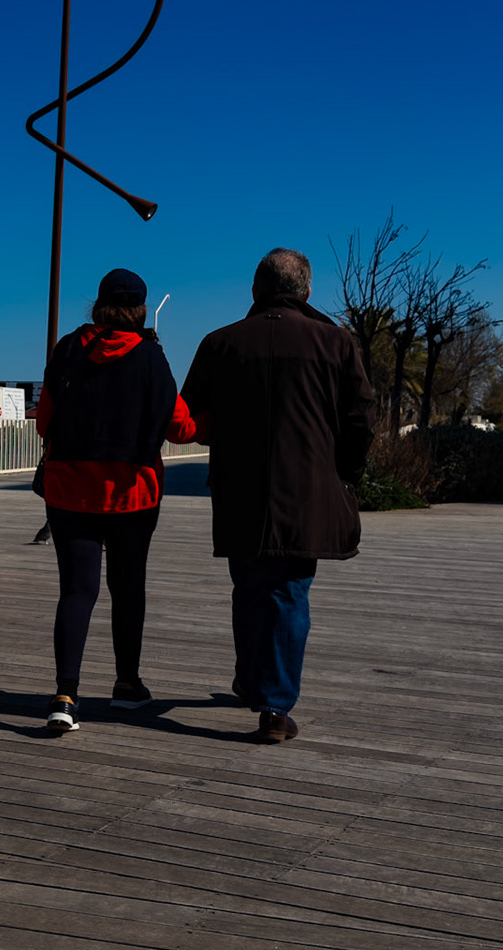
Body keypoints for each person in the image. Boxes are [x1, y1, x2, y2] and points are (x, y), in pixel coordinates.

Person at [181, 248, 375, 744]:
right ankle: (274, 707)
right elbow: (361, 420)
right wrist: (344, 474)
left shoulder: (219, 343)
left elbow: (193, 417)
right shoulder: (335, 343)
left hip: (238, 489)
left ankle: (252, 682)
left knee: (248, 589)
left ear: (254, 290)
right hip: (307, 490)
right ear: (307, 291)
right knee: (289, 594)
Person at [34, 268, 198, 735]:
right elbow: (181, 428)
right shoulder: (151, 358)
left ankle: (65, 696)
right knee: (128, 588)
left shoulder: (67, 350)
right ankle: (127, 685)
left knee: (76, 591)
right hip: (132, 493)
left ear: (98, 305)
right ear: (142, 310)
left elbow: (45, 421)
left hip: (69, 491)